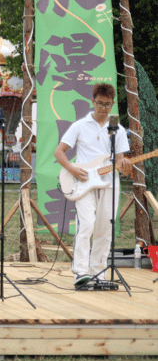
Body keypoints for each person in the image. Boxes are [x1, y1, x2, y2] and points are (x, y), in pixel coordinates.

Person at [53, 83, 131, 288]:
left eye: (107, 104)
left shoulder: (118, 129)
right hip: (84, 182)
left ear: (113, 104)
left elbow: (121, 165)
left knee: (105, 229)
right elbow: (59, 152)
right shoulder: (79, 126)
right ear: (92, 101)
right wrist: (72, 169)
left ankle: (98, 273)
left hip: (109, 183)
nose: (103, 108)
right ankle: (80, 272)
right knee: (86, 224)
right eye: (100, 103)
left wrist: (125, 166)